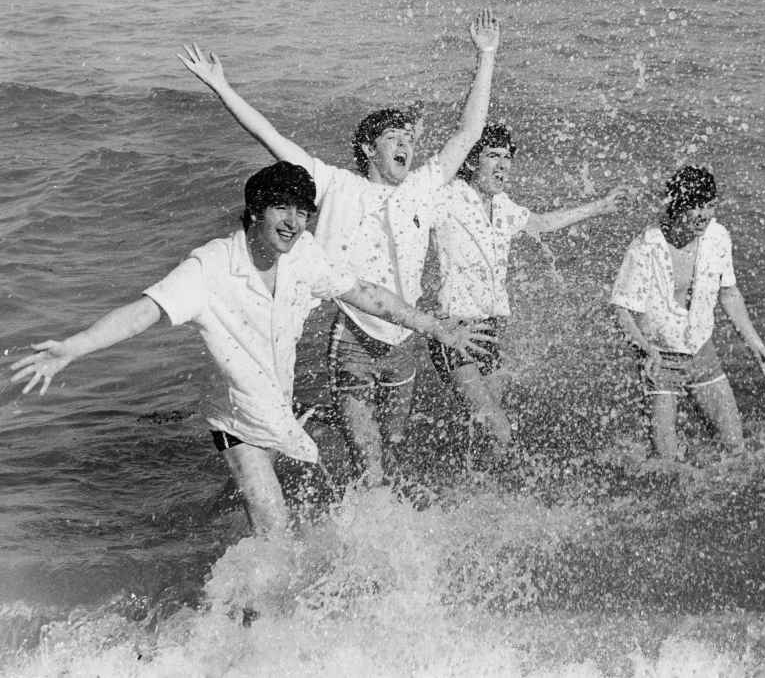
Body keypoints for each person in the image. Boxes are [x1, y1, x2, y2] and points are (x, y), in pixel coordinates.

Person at [8, 162, 488, 534]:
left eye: (303, 212)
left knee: (254, 494)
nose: (294, 222)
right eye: (283, 209)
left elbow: (363, 292)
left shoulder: (302, 255)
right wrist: (71, 348)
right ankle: (258, 630)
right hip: (235, 417)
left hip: (276, 402)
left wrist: (435, 327)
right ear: (256, 210)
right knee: (272, 517)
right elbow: (144, 312)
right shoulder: (210, 268)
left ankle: (203, 520)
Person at [178, 9, 501, 484]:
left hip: (404, 339)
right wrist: (222, 87)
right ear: (370, 149)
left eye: (410, 138)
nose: (407, 145)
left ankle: (323, 419)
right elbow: (271, 138)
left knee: (390, 451)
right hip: (352, 337)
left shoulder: (424, 186)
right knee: (369, 467)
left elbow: (469, 133)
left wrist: (487, 56)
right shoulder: (333, 185)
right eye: (395, 137)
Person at [427, 123, 627, 461]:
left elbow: (543, 224)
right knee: (499, 428)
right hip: (454, 328)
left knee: (482, 429)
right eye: (493, 156)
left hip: (490, 329)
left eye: (507, 158)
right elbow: (404, 216)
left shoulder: (503, 205)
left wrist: (599, 207)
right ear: (472, 161)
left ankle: (470, 492)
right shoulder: (446, 197)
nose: (503, 165)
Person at [610, 165, 765, 463]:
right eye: (695, 206)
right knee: (663, 466)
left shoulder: (718, 237)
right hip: (659, 359)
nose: (704, 214)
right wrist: (644, 349)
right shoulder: (646, 246)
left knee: (735, 451)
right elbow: (621, 310)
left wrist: (757, 347)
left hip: (702, 352)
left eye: (710, 205)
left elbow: (729, 294)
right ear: (678, 205)